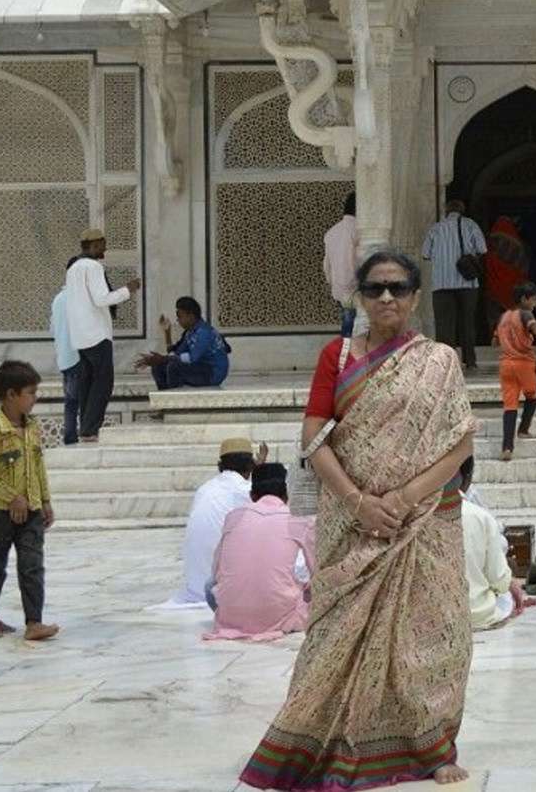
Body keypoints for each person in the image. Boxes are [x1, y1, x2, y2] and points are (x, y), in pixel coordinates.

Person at [239, 251, 476, 790]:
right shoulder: (337, 356)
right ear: (360, 298)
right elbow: (314, 437)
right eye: (375, 290)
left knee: (434, 639)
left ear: (416, 297)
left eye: (397, 289)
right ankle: (329, 741)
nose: (386, 299)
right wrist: (359, 502)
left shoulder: (439, 361)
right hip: (354, 523)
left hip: (424, 521)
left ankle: (433, 747)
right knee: (337, 637)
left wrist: (403, 498)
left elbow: (459, 442)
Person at [0, 360, 59, 641]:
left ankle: (34, 621)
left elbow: (38, 465)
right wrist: (11, 498)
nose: (35, 399)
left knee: (32, 564)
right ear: (11, 395)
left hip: (31, 511)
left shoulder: (32, 427)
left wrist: (44, 500)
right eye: (30, 393)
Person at [206, 462, 317, 642]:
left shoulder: (233, 517)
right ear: (287, 494)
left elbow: (216, 572)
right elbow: (319, 573)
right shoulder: (298, 521)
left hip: (231, 614)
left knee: (208, 587)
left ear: (252, 495)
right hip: (279, 615)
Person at [62, 228, 140, 444]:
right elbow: (101, 299)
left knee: (88, 383)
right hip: (96, 334)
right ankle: (89, 428)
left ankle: (85, 429)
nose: (105, 248)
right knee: (103, 382)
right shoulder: (93, 266)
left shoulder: (73, 268)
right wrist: (128, 290)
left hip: (80, 335)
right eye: (103, 244)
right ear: (94, 245)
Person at [166, 438, 262, 607]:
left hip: (195, 585)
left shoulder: (205, 488)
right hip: (217, 586)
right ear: (250, 465)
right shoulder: (245, 490)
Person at [458, 457, 533, 631]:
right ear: (468, 477)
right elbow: (498, 578)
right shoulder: (479, 516)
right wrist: (508, 584)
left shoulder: (411, 514)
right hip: (476, 614)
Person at [494, 281, 536, 462]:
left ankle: (507, 447)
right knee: (532, 396)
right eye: (534, 299)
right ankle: (523, 430)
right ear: (524, 299)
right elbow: (534, 327)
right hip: (523, 363)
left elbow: (495, 341)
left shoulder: (504, 316)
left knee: (509, 405)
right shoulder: (525, 314)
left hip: (505, 365)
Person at [421, 197, 487, 369]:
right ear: (462, 210)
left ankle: (446, 363)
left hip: (441, 284)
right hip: (467, 284)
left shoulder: (435, 229)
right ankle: (470, 361)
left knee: (444, 325)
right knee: (467, 322)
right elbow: (482, 249)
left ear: (446, 210)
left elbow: (425, 254)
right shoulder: (471, 225)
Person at [136, 296, 230, 390]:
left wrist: (163, 359)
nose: (178, 320)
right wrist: (167, 334)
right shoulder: (190, 333)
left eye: (180, 316)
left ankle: (174, 400)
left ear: (191, 316)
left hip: (212, 373)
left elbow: (191, 358)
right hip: (199, 368)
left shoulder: (204, 332)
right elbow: (176, 354)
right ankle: (165, 398)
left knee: (174, 367)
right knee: (158, 367)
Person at [48, 257, 83, 444]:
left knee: (70, 403)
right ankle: (85, 438)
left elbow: (53, 329)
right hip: (78, 358)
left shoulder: (58, 298)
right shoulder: (78, 299)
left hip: (64, 359)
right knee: (84, 402)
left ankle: (70, 440)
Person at [323, 193, 358, 338]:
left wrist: (334, 284)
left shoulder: (331, 232)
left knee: (348, 332)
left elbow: (327, 265)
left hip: (340, 291)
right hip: (357, 289)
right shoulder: (360, 230)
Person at [482, 216, 529, 316]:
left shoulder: (489, 244)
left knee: (494, 319)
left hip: (493, 291)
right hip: (512, 291)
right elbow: (524, 270)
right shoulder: (518, 247)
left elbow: (483, 264)